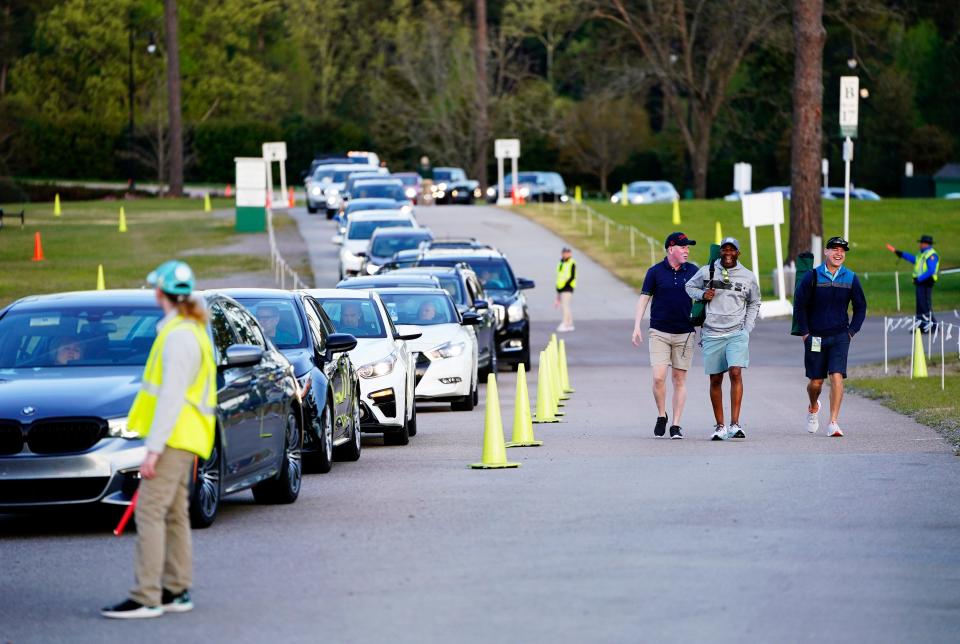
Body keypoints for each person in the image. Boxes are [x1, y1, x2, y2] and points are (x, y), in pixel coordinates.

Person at [102, 260, 216, 619]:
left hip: (173, 439)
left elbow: (171, 397)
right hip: (184, 437)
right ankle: (176, 590)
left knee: (151, 512)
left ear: (160, 293)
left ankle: (146, 596)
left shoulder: (179, 335)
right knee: (173, 513)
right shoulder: (189, 330)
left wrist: (152, 450)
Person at [685, 237, 761, 441]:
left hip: (737, 333)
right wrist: (702, 295)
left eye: (732, 250)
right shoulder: (707, 271)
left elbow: (755, 302)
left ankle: (735, 424)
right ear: (720, 252)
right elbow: (689, 287)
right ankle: (720, 426)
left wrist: (747, 329)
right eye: (724, 249)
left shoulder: (748, 276)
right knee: (716, 378)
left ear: (738, 253)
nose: (728, 253)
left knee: (735, 372)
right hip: (712, 333)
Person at [793, 237, 867, 438]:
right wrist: (806, 333)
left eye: (842, 250)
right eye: (834, 249)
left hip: (840, 336)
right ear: (826, 252)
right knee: (815, 383)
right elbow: (799, 305)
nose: (839, 253)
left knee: (836, 376)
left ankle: (833, 422)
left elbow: (860, 307)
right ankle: (812, 406)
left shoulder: (850, 277)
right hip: (815, 337)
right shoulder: (813, 276)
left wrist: (851, 331)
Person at [632, 232, 699, 439]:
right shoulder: (655, 272)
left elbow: (706, 297)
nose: (687, 250)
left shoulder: (695, 271)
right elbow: (644, 299)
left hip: (685, 333)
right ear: (671, 249)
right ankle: (662, 415)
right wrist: (636, 326)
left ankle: (676, 425)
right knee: (658, 378)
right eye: (683, 247)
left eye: (688, 247)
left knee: (679, 379)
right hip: (659, 331)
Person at [887, 234, 939, 333]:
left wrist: (919, 279)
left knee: (925, 305)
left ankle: (932, 327)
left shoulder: (931, 255)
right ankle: (921, 327)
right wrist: (901, 254)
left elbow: (931, 270)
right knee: (920, 306)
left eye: (921, 243)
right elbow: (914, 260)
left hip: (926, 282)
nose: (920, 245)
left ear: (925, 244)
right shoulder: (922, 254)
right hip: (920, 282)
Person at [555, 247, 577, 333]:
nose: (566, 254)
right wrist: (558, 287)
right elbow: (560, 275)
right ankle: (570, 323)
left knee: (565, 306)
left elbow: (572, 276)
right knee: (565, 305)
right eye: (564, 253)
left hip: (568, 287)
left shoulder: (572, 263)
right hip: (560, 287)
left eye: (567, 253)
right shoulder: (561, 263)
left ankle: (565, 323)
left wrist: (565, 285)